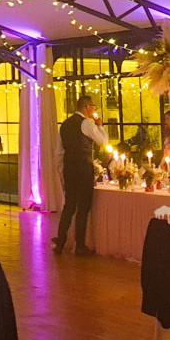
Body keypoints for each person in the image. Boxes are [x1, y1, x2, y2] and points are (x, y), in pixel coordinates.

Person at [54, 95, 106, 256]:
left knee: (69, 206)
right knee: (83, 207)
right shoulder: (87, 123)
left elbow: (59, 151)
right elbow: (102, 141)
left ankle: (60, 242)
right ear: (86, 107)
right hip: (83, 168)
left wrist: (61, 170)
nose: (94, 110)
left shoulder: (65, 125)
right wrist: (100, 126)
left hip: (70, 168)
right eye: (93, 106)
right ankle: (80, 246)